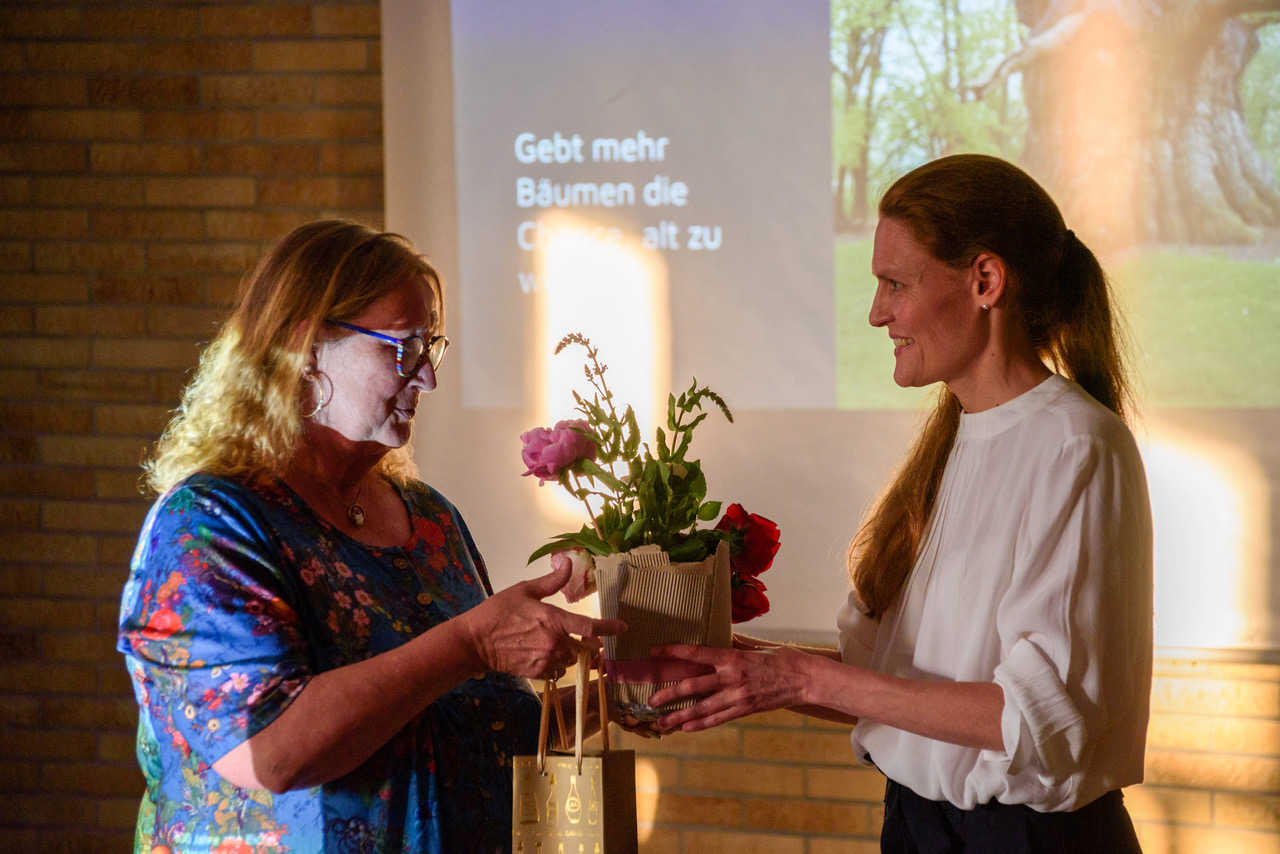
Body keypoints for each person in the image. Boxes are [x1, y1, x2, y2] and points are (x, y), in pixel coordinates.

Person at [648, 154, 1153, 852]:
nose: (877, 312)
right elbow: (880, 686)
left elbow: (1031, 720)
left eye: (895, 283)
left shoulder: (1075, 445)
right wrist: (734, 664)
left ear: (985, 280)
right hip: (919, 827)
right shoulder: (950, 444)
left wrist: (794, 674)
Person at [117, 220, 624, 853]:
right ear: (307, 345)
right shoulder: (212, 524)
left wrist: (629, 695)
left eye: (430, 348)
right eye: (402, 349)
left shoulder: (428, 517)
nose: (428, 379)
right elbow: (269, 753)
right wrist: (472, 641)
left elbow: (482, 726)